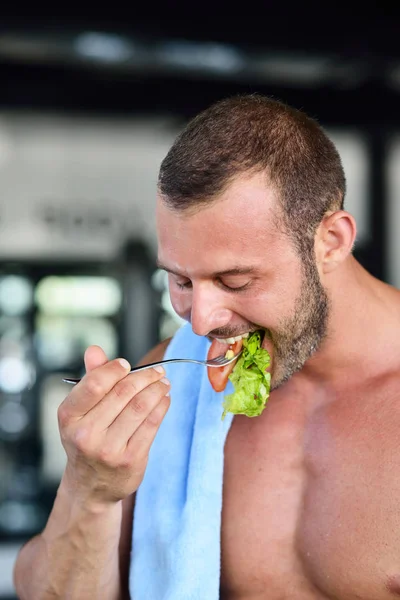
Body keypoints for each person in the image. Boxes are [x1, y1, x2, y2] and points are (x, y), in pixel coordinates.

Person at [13, 93, 400, 600]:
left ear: (331, 241)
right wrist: (87, 491)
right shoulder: (172, 386)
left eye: (235, 281)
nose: (201, 321)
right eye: (181, 282)